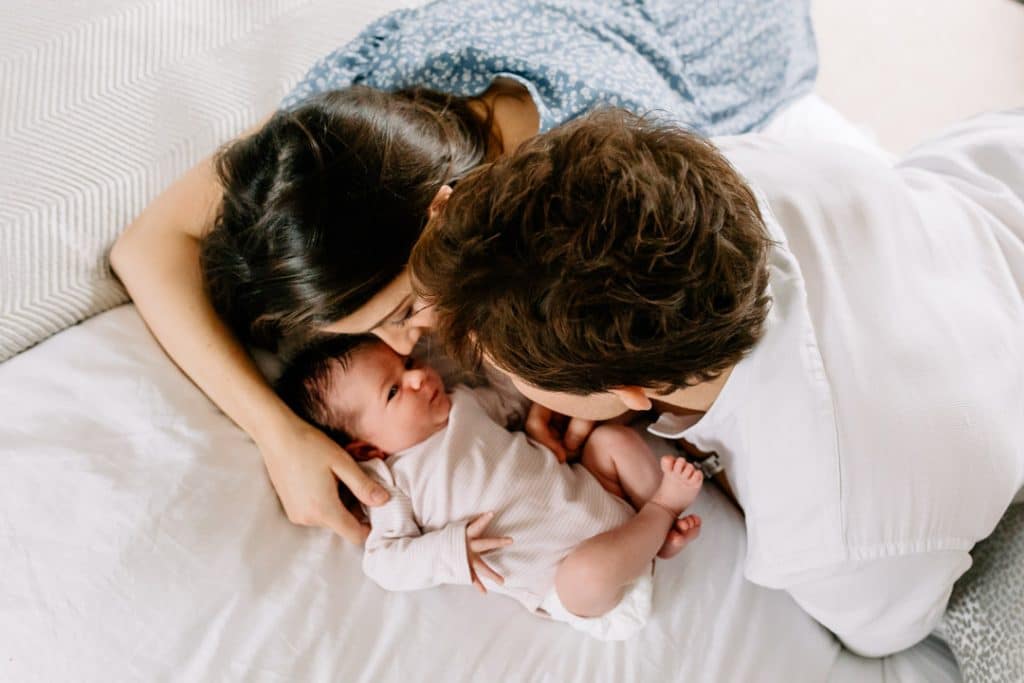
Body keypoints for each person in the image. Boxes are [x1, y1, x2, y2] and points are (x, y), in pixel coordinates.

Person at [109, 0, 817, 544]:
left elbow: (692, 350)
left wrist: (567, 373)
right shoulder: (350, 124)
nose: (409, 343)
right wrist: (277, 430)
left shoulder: (614, 177)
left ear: (446, 214)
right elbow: (147, 247)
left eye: (405, 310)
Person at [409, 108, 1024, 656]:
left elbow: (888, 635)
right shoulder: (696, 180)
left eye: (502, 365)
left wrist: (709, 471)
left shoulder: (836, 527)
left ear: (628, 391)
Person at [273, 334, 703, 640]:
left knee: (611, 442)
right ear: (365, 446)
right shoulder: (390, 482)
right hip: (569, 575)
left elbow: (515, 398)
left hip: (597, 491)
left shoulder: (465, 402)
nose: (419, 377)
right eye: (393, 391)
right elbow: (383, 562)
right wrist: (449, 551)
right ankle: (661, 511)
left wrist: (483, 343)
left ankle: (657, 534)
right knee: (585, 576)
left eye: (406, 365)